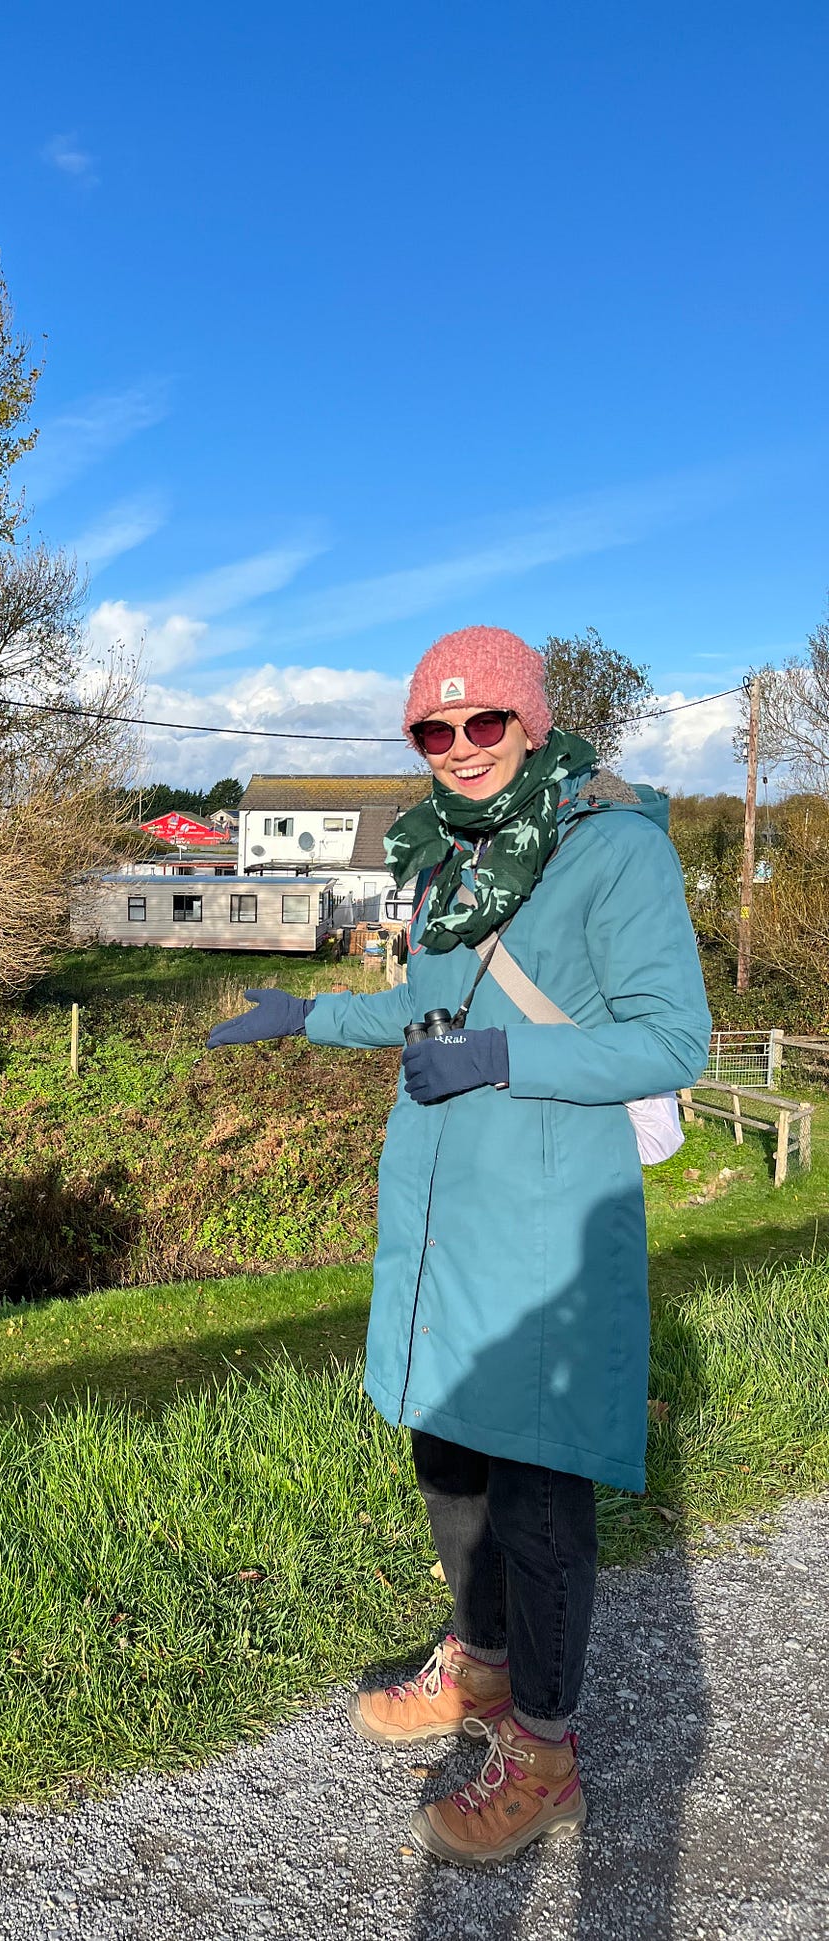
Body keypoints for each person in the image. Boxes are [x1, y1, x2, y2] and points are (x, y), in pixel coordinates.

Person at [207, 625, 710, 1866]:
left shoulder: (614, 851)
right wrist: (308, 1014)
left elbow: (669, 1040)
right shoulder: (448, 852)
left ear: (530, 723)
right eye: (433, 729)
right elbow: (423, 1004)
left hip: (542, 1225)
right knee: (447, 1457)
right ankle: (479, 1666)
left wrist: (497, 1057)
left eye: (483, 721)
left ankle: (543, 1753)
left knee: (537, 1498)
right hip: (440, 1219)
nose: (459, 746)